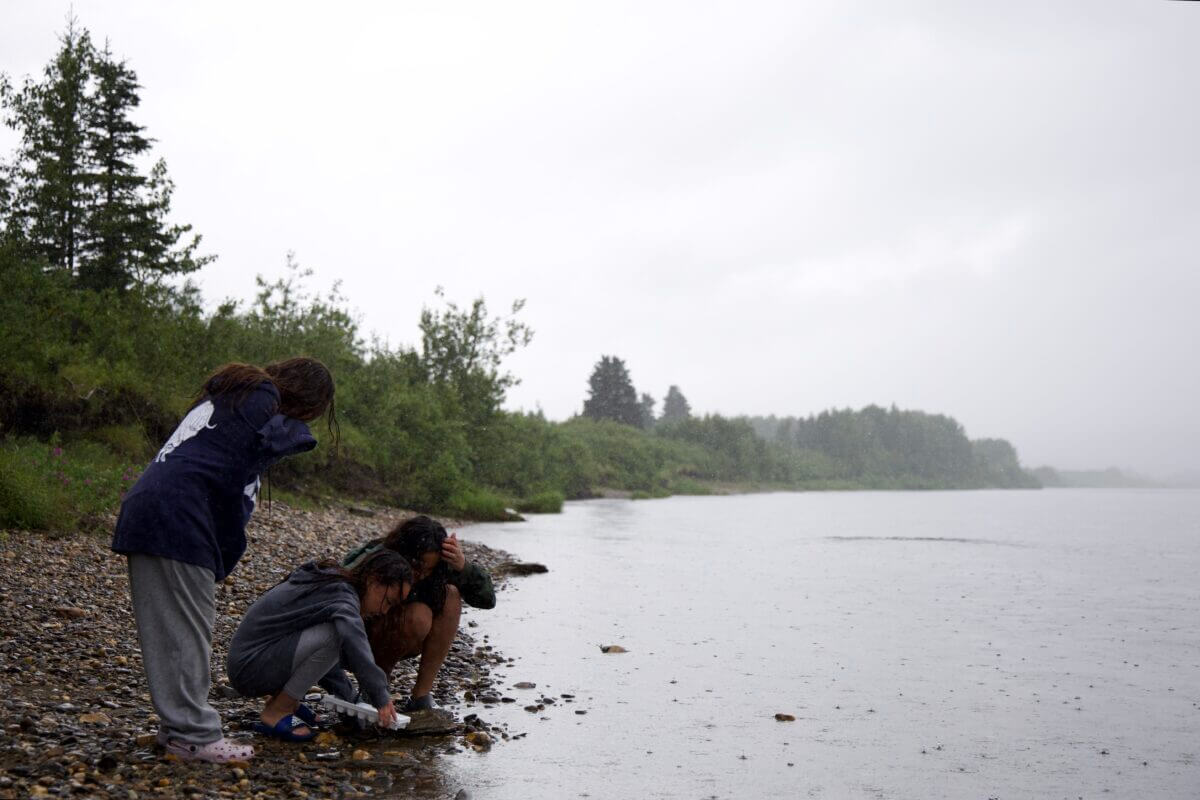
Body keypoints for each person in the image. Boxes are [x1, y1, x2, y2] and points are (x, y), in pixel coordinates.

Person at [111, 358, 336, 763]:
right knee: (187, 632)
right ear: (302, 400)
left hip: (151, 508)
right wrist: (227, 552)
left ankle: (176, 728)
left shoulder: (232, 396)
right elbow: (232, 485)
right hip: (178, 517)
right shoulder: (262, 398)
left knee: (170, 628)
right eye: (309, 414)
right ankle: (193, 734)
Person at [226, 550, 412, 741]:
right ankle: (278, 710)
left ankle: (286, 702)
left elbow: (320, 657)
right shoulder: (343, 596)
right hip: (249, 667)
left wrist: (349, 697)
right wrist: (380, 695)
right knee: (337, 635)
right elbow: (353, 644)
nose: (384, 611)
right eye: (388, 601)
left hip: (253, 661)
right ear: (374, 579)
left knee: (333, 635)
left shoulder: (336, 586)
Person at [342, 515, 495, 711]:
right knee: (419, 616)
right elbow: (337, 589)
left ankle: (421, 697)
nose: (420, 575)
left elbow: (487, 600)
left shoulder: (441, 564)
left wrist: (463, 567)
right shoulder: (380, 557)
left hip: (406, 638)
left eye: (427, 571)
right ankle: (376, 687)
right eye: (417, 568)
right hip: (360, 640)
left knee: (451, 595)